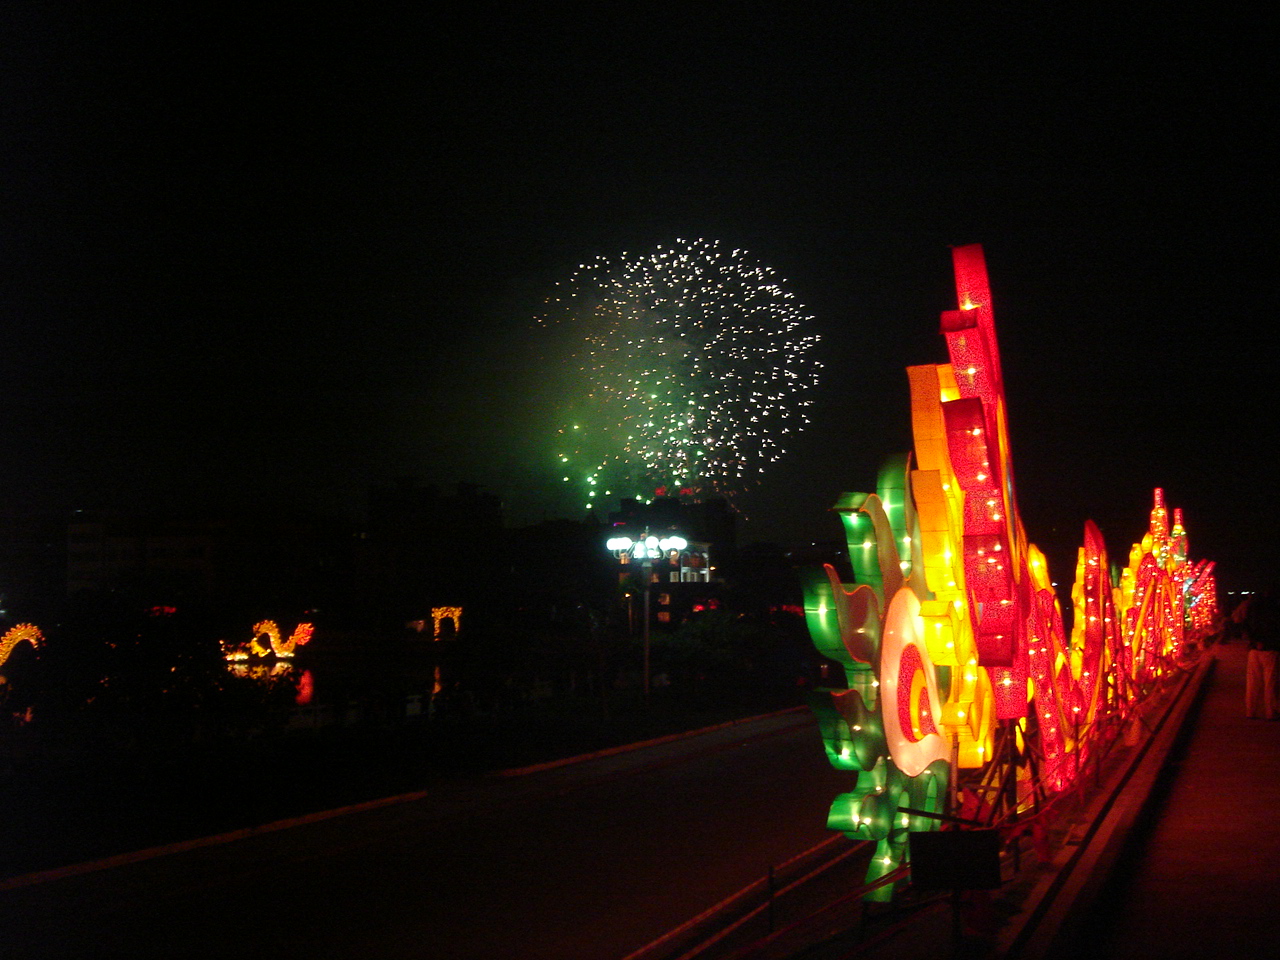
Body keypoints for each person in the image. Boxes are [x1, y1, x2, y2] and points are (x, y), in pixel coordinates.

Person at [1243, 588, 1280, 719]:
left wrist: (1254, 640)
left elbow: (1245, 625)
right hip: (1270, 648)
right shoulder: (1274, 610)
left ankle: (1250, 711)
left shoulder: (1253, 609)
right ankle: (1271, 711)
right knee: (1270, 682)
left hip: (1254, 649)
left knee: (1253, 682)